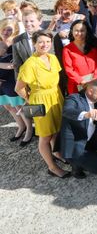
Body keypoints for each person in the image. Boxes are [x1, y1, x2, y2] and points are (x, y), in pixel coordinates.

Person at [15, 31, 68, 178]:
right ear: (34, 43)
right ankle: (52, 167)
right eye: (41, 42)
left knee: (57, 129)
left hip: (56, 97)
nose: (45, 45)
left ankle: (57, 152)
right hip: (40, 101)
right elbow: (18, 88)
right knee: (45, 136)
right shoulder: (30, 64)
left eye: (47, 42)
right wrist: (30, 99)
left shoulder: (53, 58)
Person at [61, 20, 97, 96]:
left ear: (87, 32)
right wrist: (81, 81)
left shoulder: (96, 46)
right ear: (72, 31)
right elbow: (68, 69)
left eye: (82, 30)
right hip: (78, 86)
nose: (79, 33)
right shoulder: (67, 49)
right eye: (76, 30)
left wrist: (95, 79)